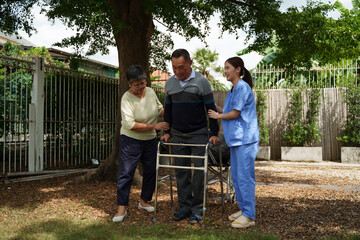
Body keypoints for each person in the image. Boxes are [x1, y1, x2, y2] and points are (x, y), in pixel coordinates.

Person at [160, 49, 220, 224]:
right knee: (181, 172)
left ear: (190, 63)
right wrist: (167, 132)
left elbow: (211, 110)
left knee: (200, 173)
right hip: (178, 135)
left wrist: (214, 133)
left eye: (182, 67)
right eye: (174, 67)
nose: (178, 71)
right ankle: (184, 208)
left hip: (198, 134)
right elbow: (168, 110)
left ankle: (197, 209)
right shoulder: (170, 84)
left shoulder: (201, 82)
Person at [113, 65, 169, 223]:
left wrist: (173, 108)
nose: (141, 87)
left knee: (151, 171)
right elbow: (130, 124)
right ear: (130, 84)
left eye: (143, 83)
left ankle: (144, 201)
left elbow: (159, 110)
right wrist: (155, 126)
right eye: (137, 84)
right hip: (131, 139)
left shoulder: (150, 92)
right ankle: (121, 209)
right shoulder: (127, 98)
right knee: (126, 173)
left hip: (149, 140)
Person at [208, 56, 259, 228]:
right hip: (236, 141)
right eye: (224, 68)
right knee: (237, 177)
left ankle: (249, 216)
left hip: (245, 140)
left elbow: (235, 114)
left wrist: (218, 116)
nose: (225, 71)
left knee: (245, 178)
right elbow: (230, 110)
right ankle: (244, 209)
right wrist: (215, 107)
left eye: (228, 67)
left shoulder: (242, 88)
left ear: (238, 69)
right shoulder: (233, 89)